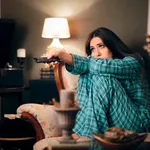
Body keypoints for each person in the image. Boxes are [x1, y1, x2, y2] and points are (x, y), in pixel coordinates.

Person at [46, 27, 150, 141]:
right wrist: (65, 58)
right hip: (111, 122)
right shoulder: (94, 66)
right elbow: (92, 65)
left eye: (101, 46)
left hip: (137, 122)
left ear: (113, 46)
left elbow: (104, 66)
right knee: (87, 73)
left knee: (102, 76)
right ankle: (82, 132)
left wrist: (65, 56)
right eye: (92, 49)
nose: (97, 53)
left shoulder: (134, 61)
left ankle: (88, 135)